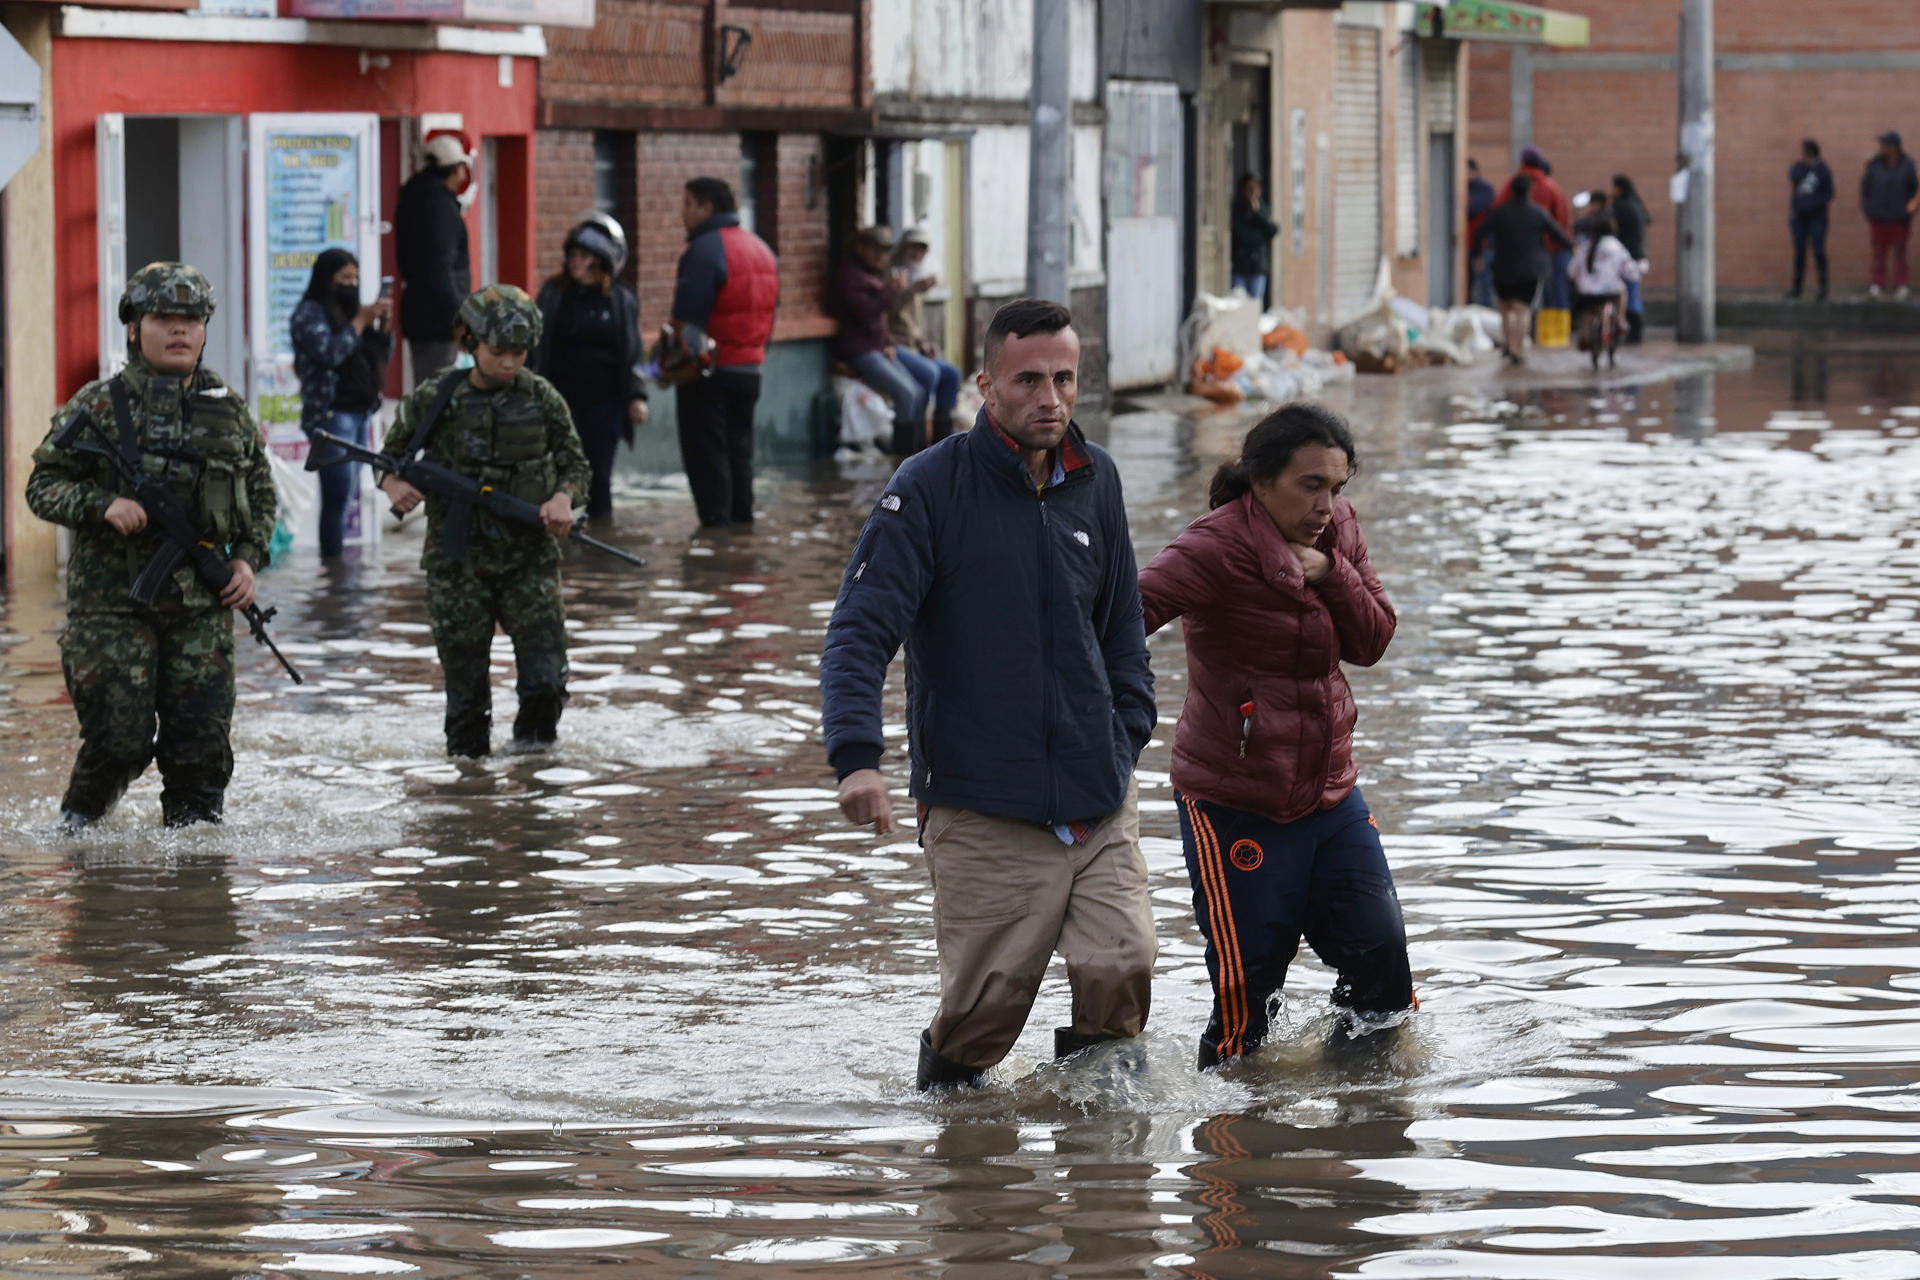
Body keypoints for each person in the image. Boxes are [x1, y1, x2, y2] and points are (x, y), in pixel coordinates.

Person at [820, 298, 1157, 1091]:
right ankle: (961, 1164)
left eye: (1066, 379)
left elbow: (1122, 629)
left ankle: (1104, 1184)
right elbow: (859, 632)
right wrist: (856, 759)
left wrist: (1126, 730)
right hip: (980, 801)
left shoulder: (1097, 479)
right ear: (985, 385)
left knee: (1124, 962)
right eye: (1030, 379)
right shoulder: (927, 489)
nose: (1051, 398)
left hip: (1097, 791)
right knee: (984, 1015)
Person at [1137, 405, 1410, 1068]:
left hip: (1331, 794)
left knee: (1384, 976)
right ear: (1260, 481)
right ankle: (1233, 1151)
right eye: (1310, 485)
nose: (1327, 504)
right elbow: (1116, 621)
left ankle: (1362, 1134)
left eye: (1337, 488)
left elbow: (1373, 639)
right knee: (1247, 998)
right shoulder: (1214, 548)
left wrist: (1330, 571)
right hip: (1234, 802)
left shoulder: (1338, 531)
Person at [25, 261, 277, 828]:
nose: (180, 330)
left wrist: (247, 561)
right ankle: (78, 836)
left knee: (201, 755)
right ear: (134, 328)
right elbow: (41, 486)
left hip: (200, 612)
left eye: (192, 319)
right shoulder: (97, 405)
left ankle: (194, 888)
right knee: (119, 742)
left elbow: (261, 499)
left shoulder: (229, 410)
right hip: (114, 607)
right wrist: (101, 505)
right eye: (164, 318)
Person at [376, 285, 592, 758]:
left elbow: (577, 465)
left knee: (545, 683)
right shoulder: (437, 398)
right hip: (458, 565)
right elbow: (388, 458)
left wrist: (562, 498)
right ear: (469, 342)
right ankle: (469, 798)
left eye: (519, 353)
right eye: (499, 352)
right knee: (468, 702)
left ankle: (534, 778)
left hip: (529, 561)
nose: (510, 363)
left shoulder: (543, 399)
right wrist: (393, 485)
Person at [670, 176, 779, 526]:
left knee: (708, 460)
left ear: (707, 207)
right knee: (739, 456)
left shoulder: (704, 250)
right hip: (751, 370)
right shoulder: (761, 248)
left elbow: (689, 325)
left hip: (709, 373)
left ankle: (716, 545)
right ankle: (741, 538)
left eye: (687, 204)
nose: (681, 213)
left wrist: (664, 369)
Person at [531, 215, 648, 521]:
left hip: (604, 403)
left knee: (598, 475)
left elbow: (633, 351)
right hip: (560, 399)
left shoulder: (620, 298)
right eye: (572, 255)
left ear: (601, 260)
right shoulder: (554, 293)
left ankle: (600, 538)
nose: (575, 262)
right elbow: (536, 345)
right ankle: (557, 535)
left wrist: (637, 396)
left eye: (584, 256)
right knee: (556, 473)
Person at [292, 248, 392, 558]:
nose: (352, 284)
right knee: (336, 496)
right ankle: (332, 572)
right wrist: (361, 320)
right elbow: (330, 353)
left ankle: (340, 576)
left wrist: (383, 329)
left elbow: (379, 359)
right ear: (327, 278)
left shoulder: (351, 313)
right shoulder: (309, 314)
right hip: (332, 415)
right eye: (344, 277)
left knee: (350, 495)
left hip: (360, 413)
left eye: (356, 277)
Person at [829, 226, 929, 456]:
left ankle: (921, 455)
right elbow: (867, 312)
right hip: (859, 350)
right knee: (905, 395)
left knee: (918, 392)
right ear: (860, 248)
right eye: (876, 250)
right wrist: (893, 291)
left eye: (885, 251)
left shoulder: (872, 273)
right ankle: (903, 460)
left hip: (877, 347)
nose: (882, 256)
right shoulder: (850, 275)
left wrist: (888, 343)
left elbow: (880, 321)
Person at [395, 133, 473, 385]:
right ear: (456, 169)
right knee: (439, 398)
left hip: (420, 315)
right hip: (440, 322)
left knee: (429, 391)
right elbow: (440, 269)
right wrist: (459, 317)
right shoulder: (439, 207)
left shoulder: (413, 198)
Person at [1471, 173, 1573, 365]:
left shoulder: (1499, 212)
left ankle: (1509, 347)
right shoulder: (1538, 213)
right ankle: (1519, 349)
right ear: (1529, 191)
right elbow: (1560, 235)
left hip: (1502, 267)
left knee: (1506, 309)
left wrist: (1477, 255)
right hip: (1530, 269)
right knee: (1523, 310)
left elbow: (1479, 233)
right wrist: (1568, 248)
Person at [888, 227, 962, 444]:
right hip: (892, 344)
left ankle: (943, 441)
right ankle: (917, 440)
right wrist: (910, 290)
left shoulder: (914, 275)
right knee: (929, 373)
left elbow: (912, 323)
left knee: (951, 373)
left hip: (911, 345)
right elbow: (886, 311)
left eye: (922, 248)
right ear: (903, 247)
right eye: (913, 247)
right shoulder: (891, 274)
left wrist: (924, 344)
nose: (917, 253)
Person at [1497, 147, 1572, 311]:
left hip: (1512, 254)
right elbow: (1561, 218)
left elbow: (1497, 211)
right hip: (1546, 251)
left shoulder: (1512, 183)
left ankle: (1529, 331)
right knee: (1553, 292)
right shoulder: (1550, 186)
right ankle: (1557, 330)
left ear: (1522, 162)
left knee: (1519, 302)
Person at [1568, 211, 1641, 362]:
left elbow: (1571, 271)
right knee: (1622, 289)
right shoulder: (1615, 246)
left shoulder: (1585, 245)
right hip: (1609, 292)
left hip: (1585, 293)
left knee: (1589, 312)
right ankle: (1620, 320)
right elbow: (1628, 269)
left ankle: (1585, 335)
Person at [1862, 130, 1918, 300]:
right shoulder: (1874, 165)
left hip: (1900, 220)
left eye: (1885, 145)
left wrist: (1909, 211)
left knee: (1900, 253)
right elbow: (1865, 189)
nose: (1882, 148)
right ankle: (1878, 283)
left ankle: (1901, 284)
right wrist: (1869, 210)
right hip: (1878, 218)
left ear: (1894, 147)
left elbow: (1915, 192)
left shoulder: (1908, 165)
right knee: (1879, 253)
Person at [1787, 142, 1833, 302]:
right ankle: (1797, 287)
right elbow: (1792, 175)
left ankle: (1823, 287)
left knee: (1819, 251)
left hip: (1817, 218)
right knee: (1799, 253)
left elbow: (1829, 194)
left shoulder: (1823, 170)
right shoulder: (1800, 168)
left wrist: (1813, 205)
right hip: (1800, 218)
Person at [1610, 174, 1653, 341]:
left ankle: (1633, 333)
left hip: (1628, 258)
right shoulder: (1636, 203)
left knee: (1627, 294)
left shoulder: (1620, 206)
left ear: (1619, 188)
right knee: (1633, 293)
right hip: (1640, 256)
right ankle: (1636, 332)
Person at [1230, 174, 1279, 302]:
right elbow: (1241, 235)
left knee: (1255, 303)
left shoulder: (1263, 208)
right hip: (1240, 265)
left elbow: (1272, 230)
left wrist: (1256, 214)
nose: (1252, 193)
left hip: (1258, 266)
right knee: (1239, 302)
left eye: (1255, 189)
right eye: (1249, 189)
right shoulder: (1237, 209)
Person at [1466, 158, 1496, 307]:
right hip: (1467, 246)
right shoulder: (1464, 188)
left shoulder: (1484, 189)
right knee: (1467, 286)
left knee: (1484, 287)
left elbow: (1473, 209)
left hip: (1483, 247)